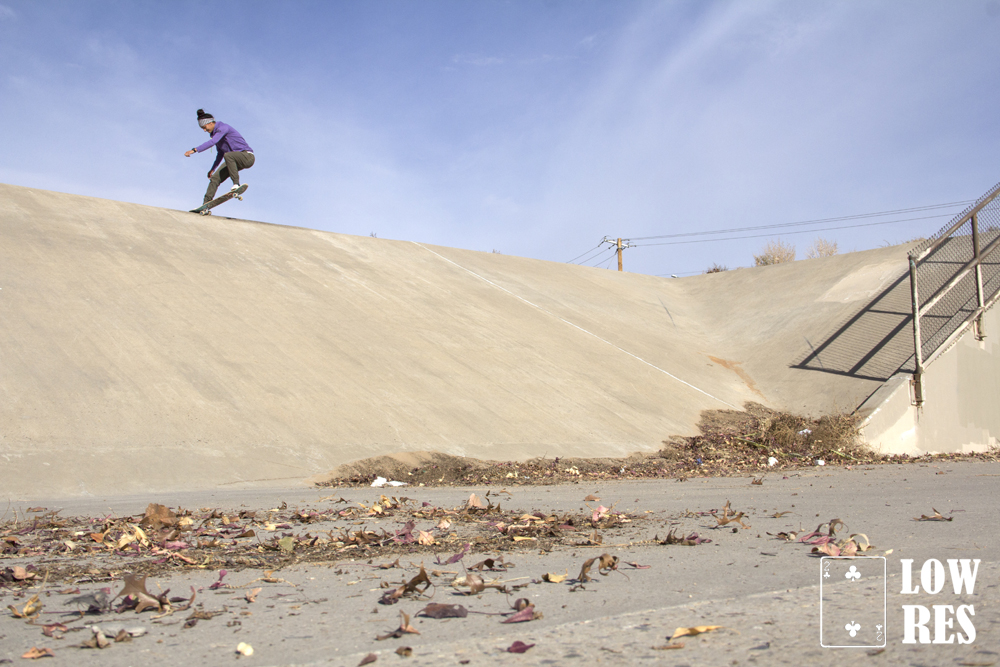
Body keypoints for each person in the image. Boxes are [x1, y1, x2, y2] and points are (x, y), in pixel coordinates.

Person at [184, 109, 255, 206]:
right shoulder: (216, 135)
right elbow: (220, 154)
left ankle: (236, 184)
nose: (205, 130)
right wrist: (213, 169)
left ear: (210, 123)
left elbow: (212, 142)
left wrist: (194, 150)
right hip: (233, 160)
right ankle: (206, 204)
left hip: (247, 156)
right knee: (215, 178)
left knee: (228, 156)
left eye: (204, 127)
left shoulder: (223, 128)